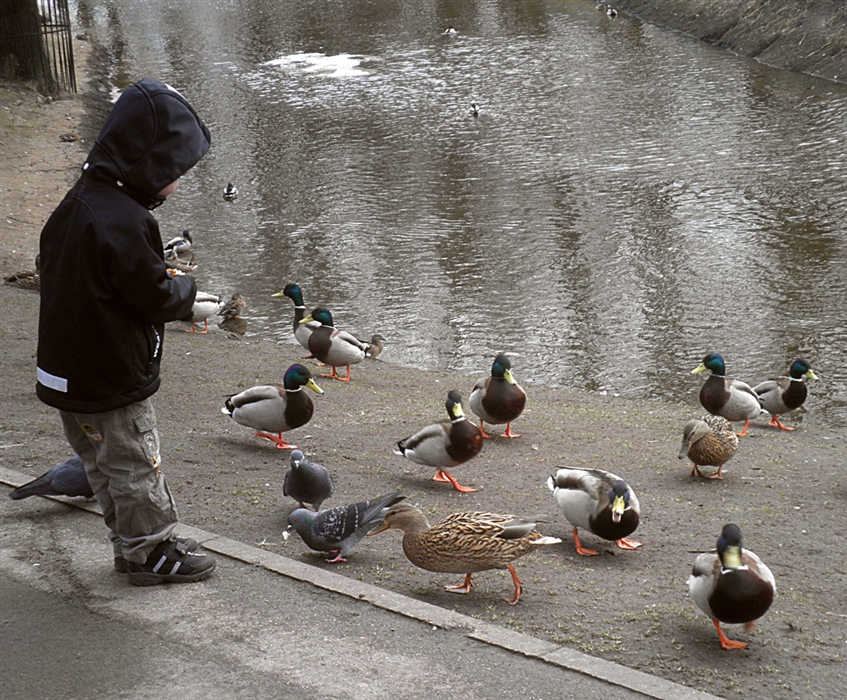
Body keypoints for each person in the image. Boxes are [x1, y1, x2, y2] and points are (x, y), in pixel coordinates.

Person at [36, 78, 216, 585]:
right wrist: (184, 290)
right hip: (110, 374)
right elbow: (152, 295)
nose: (178, 181)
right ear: (147, 161)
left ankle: (128, 544)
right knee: (137, 463)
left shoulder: (78, 204)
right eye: (175, 170)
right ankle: (152, 552)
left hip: (67, 374)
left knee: (103, 465)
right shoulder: (125, 219)